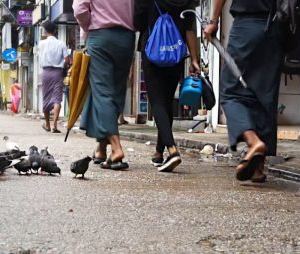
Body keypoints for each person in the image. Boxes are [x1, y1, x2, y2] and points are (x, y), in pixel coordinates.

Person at [204, 0, 284, 182]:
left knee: (230, 91)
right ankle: (257, 168)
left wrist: (214, 21)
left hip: (246, 26)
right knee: (265, 94)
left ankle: (253, 142)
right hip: (277, 28)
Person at [134, 0, 200, 172]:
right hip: (176, 52)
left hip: (153, 50)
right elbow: (190, 27)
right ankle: (158, 152)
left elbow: (138, 21)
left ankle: (172, 150)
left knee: (157, 102)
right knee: (167, 100)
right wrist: (194, 58)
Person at [73, 0, 136, 170]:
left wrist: (88, 26)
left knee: (102, 92)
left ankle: (116, 148)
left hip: (101, 36)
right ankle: (101, 148)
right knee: (116, 92)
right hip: (127, 37)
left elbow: (79, 9)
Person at [38, 21, 70, 133]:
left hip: (46, 72)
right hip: (57, 73)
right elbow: (67, 60)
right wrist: (63, 66)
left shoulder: (41, 44)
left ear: (45, 31)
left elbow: (39, 58)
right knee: (57, 98)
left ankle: (47, 124)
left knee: (46, 98)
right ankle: (54, 125)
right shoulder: (61, 44)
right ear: (55, 30)